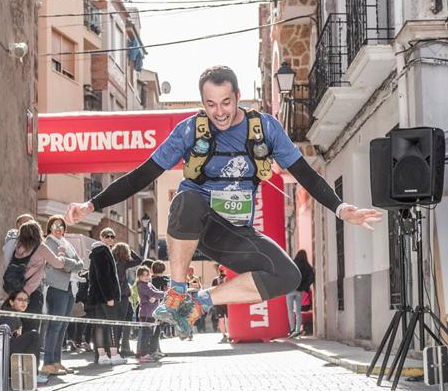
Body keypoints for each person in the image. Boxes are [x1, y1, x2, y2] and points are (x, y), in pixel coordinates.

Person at [66, 65, 382, 337]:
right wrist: (91, 205)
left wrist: (341, 208)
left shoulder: (265, 129)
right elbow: (141, 175)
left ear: (238, 96)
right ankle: (176, 292)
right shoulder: (189, 130)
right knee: (188, 199)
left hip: (234, 234)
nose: (219, 112)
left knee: (289, 275)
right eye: (211, 104)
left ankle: (200, 300)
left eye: (226, 103)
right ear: (203, 102)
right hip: (197, 224)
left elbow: (305, 174)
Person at [41, 216, 84, 377]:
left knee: (63, 326)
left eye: (61, 226)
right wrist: (69, 264)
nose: (58, 228)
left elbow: (80, 263)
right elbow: (55, 264)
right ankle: (47, 363)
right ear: (50, 228)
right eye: (54, 225)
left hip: (70, 288)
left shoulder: (67, 244)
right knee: (55, 326)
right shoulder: (49, 243)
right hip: (56, 287)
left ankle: (57, 362)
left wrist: (67, 265)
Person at [84, 227, 124, 365]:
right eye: (107, 236)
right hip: (105, 297)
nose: (110, 239)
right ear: (101, 237)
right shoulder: (102, 251)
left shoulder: (98, 251)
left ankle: (102, 356)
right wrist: (109, 297)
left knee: (100, 326)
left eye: (112, 236)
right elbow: (103, 277)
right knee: (111, 324)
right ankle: (113, 354)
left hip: (97, 297)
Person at [113, 241, 142, 357]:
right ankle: (120, 348)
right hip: (122, 295)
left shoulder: (114, 262)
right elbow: (139, 260)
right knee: (122, 321)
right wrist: (130, 247)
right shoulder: (122, 264)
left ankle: (123, 346)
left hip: (119, 295)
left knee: (125, 318)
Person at [131, 265, 165, 363]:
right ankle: (143, 354)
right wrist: (166, 294)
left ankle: (148, 352)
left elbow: (156, 292)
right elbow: (154, 294)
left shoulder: (149, 284)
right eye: (143, 275)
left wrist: (157, 296)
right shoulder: (142, 285)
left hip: (152, 314)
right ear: (139, 276)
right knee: (145, 335)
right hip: (146, 314)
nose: (146, 277)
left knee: (150, 334)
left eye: (147, 274)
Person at [289, 250, 315, 337]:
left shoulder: (292, 264)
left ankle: (292, 329)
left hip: (290, 290)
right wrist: (304, 287)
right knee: (298, 311)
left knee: (290, 311)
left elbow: (286, 275)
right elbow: (311, 278)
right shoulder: (307, 266)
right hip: (299, 291)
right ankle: (297, 330)